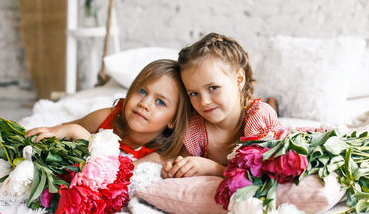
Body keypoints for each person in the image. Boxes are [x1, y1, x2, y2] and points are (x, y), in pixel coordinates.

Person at [162, 33, 286, 178]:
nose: (204, 102)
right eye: (194, 93)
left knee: (269, 111)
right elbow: (185, 161)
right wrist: (175, 167)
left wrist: (214, 168)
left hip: (260, 116)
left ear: (239, 79)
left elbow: (260, 174)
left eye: (213, 88)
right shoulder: (195, 127)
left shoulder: (258, 118)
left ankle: (272, 103)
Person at [26, 60, 190, 165]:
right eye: (141, 91)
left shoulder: (158, 157)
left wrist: (80, 134)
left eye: (160, 102)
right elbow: (59, 130)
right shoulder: (105, 118)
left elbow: (117, 170)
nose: (144, 103)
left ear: (173, 120)